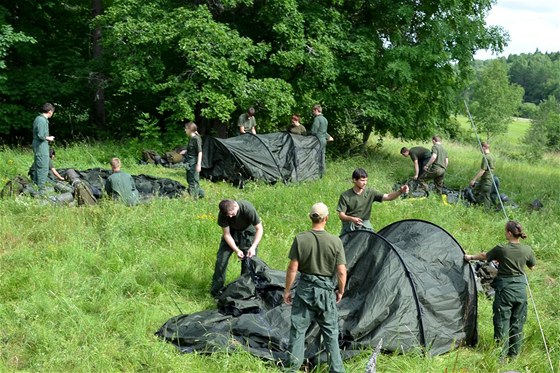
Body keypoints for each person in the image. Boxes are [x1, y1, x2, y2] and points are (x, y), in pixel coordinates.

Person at [284, 202, 347, 373]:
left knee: (298, 331)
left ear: (310, 217)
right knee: (331, 333)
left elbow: (292, 268)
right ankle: (337, 369)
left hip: (305, 291)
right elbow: (341, 272)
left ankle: (292, 368)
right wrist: (340, 291)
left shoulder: (300, 239)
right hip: (326, 292)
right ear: (327, 218)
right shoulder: (335, 241)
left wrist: (287, 290)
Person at [464, 221, 536, 358]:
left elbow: (485, 256)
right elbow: (532, 267)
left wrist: (470, 257)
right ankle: (514, 355)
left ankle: (501, 357)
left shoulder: (501, 249)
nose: (505, 233)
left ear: (509, 233)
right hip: (521, 291)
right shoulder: (527, 249)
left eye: (505, 231)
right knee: (518, 322)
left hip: (505, 291)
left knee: (502, 321)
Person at [211, 199, 263, 296]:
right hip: (232, 233)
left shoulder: (247, 208)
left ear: (235, 206)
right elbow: (226, 234)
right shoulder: (223, 213)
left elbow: (259, 228)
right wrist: (236, 250)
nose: (230, 216)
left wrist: (253, 247)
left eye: (232, 214)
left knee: (248, 262)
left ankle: (244, 291)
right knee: (221, 260)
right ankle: (217, 291)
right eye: (228, 215)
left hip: (248, 232)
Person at [337, 168, 409, 235]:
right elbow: (341, 215)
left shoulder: (370, 192)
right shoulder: (345, 195)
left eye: (366, 180)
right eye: (362, 180)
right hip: (349, 227)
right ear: (354, 180)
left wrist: (400, 191)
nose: (365, 183)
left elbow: (388, 197)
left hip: (364, 225)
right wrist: (352, 219)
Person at [31, 103, 56, 191]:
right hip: (40, 146)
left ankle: (36, 184)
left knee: (39, 165)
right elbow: (41, 135)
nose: (52, 114)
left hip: (41, 145)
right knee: (43, 166)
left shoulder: (40, 119)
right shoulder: (41, 120)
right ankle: (41, 190)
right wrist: (49, 138)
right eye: (52, 112)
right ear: (50, 112)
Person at [181, 122, 205, 198]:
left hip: (194, 162)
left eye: (186, 128)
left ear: (190, 129)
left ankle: (194, 198)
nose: (185, 130)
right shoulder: (192, 138)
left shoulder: (196, 139)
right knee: (190, 178)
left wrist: (198, 165)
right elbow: (192, 149)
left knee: (193, 180)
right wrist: (185, 151)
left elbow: (200, 152)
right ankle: (200, 194)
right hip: (189, 161)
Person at [470, 142, 496, 208]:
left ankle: (486, 210)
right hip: (486, 179)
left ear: (484, 148)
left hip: (487, 180)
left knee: (486, 195)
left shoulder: (486, 157)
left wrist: (474, 180)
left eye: (481, 148)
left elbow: (482, 171)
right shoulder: (492, 156)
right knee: (475, 191)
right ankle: (477, 204)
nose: (480, 150)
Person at [309, 105, 333, 176]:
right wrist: (329, 137)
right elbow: (324, 132)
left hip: (317, 141)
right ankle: (322, 173)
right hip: (324, 140)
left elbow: (314, 131)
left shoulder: (317, 119)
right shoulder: (325, 119)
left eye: (313, 111)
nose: (313, 112)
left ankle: (315, 173)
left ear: (316, 110)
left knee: (316, 157)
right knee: (322, 157)